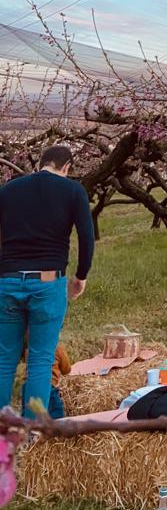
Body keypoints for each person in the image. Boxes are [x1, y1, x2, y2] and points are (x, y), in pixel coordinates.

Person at [0, 144, 94, 418]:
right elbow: (87, 238)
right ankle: (32, 434)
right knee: (40, 361)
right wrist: (80, 276)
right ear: (66, 168)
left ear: (39, 163)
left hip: (7, 281)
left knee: (4, 360)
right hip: (47, 283)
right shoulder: (73, 191)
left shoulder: (8, 190)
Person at [22, 342, 71, 419]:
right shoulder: (57, 348)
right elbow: (66, 370)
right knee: (56, 413)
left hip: (27, 385)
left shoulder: (30, 348)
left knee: (28, 413)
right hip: (48, 385)